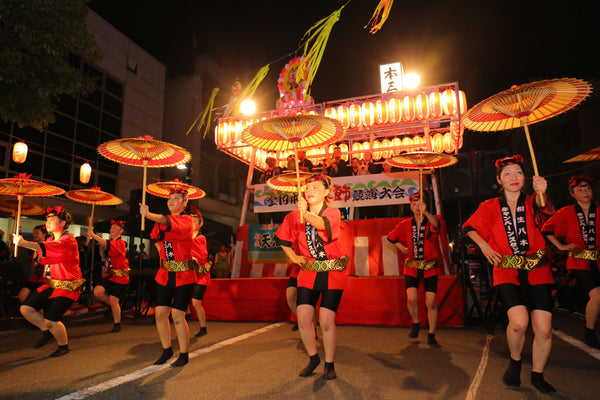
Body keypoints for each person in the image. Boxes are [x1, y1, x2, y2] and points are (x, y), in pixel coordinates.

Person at [463, 155, 556, 393]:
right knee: (518, 323)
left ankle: (537, 375)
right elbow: (469, 228)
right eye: (507, 173)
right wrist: (484, 246)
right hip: (506, 268)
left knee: (544, 329)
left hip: (537, 267)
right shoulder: (489, 207)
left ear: (525, 178)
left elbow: (546, 216)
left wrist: (542, 192)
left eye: (518, 172)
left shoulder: (536, 200)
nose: (513, 177)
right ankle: (515, 360)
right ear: (499, 180)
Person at [275, 173, 349, 380]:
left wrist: (304, 213)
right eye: (308, 188)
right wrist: (294, 256)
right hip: (308, 272)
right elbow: (282, 239)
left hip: (333, 272)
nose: (310, 191)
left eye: (316, 188)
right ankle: (313, 357)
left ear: (327, 192)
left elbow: (323, 225)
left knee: (326, 321)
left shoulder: (333, 212)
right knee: (304, 318)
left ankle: (329, 363)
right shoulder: (293, 216)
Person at [14, 206, 83, 357]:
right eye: (47, 219)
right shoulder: (51, 239)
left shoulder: (68, 240)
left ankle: (63, 346)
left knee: (51, 319)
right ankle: (47, 332)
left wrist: (24, 243)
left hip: (67, 286)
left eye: (52, 219)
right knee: (26, 309)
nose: (48, 222)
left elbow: (49, 249)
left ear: (63, 223)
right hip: (50, 284)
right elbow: (45, 252)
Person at [542, 175, 600, 348]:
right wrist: (561, 245)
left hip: (598, 259)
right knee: (597, 296)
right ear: (572, 194)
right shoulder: (566, 212)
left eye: (587, 188)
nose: (585, 192)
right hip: (579, 260)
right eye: (580, 190)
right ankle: (590, 332)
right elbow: (546, 229)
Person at [140, 186, 195, 367]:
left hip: (184, 274)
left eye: (177, 198)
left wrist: (148, 214)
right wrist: (163, 255)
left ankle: (184, 354)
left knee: (178, 315)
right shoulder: (161, 222)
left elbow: (167, 221)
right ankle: (166, 349)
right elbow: (156, 239)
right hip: (165, 273)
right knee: (160, 313)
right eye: (170, 198)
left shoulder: (187, 220)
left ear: (185, 202)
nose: (172, 201)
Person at [387, 192, 441, 345]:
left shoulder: (430, 221)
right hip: (412, 266)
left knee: (430, 302)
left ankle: (431, 333)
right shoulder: (405, 224)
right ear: (410, 207)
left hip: (429, 266)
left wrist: (426, 212)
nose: (416, 206)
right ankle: (416, 323)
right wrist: (401, 248)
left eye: (419, 203)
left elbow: (437, 227)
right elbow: (390, 237)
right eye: (413, 204)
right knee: (411, 299)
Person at [87, 219, 130, 333]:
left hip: (120, 275)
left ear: (121, 231)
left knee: (113, 299)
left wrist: (93, 235)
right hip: (109, 274)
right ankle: (114, 306)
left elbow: (106, 243)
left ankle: (117, 324)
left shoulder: (120, 243)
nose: (112, 229)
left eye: (115, 228)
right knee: (97, 292)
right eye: (111, 228)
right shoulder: (110, 242)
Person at [17, 225, 51, 304]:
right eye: (34, 233)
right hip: (34, 277)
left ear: (44, 234)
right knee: (22, 296)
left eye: (37, 233)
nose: (34, 235)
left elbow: (38, 247)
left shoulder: (48, 246)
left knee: (39, 302)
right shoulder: (32, 244)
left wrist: (21, 242)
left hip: (45, 279)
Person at [190, 212, 210, 338]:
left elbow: (201, 256)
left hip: (201, 275)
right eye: (189, 221)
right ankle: (185, 319)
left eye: (194, 221)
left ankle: (203, 327)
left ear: (200, 223)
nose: (191, 223)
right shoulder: (185, 237)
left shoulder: (201, 238)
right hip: (189, 273)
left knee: (196, 302)